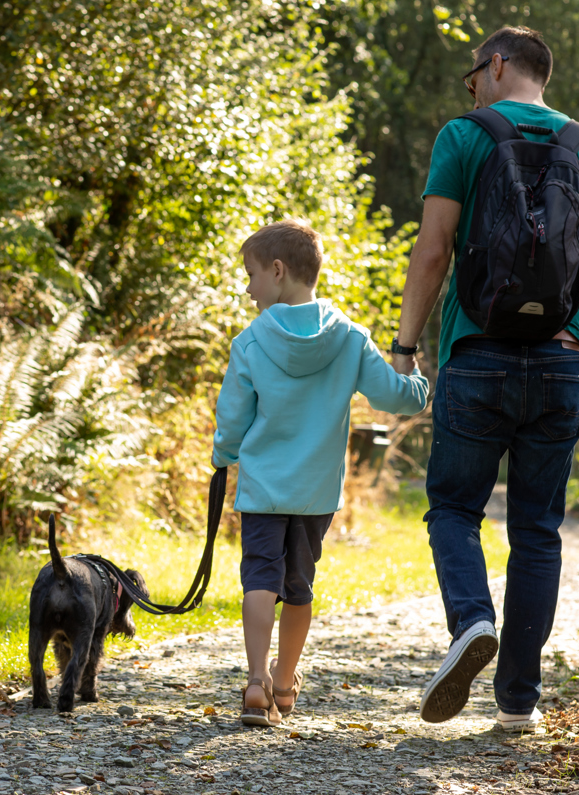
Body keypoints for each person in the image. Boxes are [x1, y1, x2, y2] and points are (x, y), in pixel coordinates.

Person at [390, 26, 579, 731]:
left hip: (478, 354)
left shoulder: (463, 137)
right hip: (562, 361)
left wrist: (406, 346)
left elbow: (433, 251)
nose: (472, 90)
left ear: (495, 65)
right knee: (537, 529)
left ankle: (471, 621)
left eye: (473, 78)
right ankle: (518, 702)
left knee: (455, 510)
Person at [212, 220, 429, 726]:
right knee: (299, 586)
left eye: (251, 275)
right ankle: (285, 683)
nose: (248, 288)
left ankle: (253, 684)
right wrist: (414, 374)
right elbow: (398, 398)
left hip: (264, 490)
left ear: (278, 270)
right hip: (315, 494)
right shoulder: (350, 339)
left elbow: (232, 420)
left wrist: (223, 455)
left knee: (259, 580)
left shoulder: (249, 344)